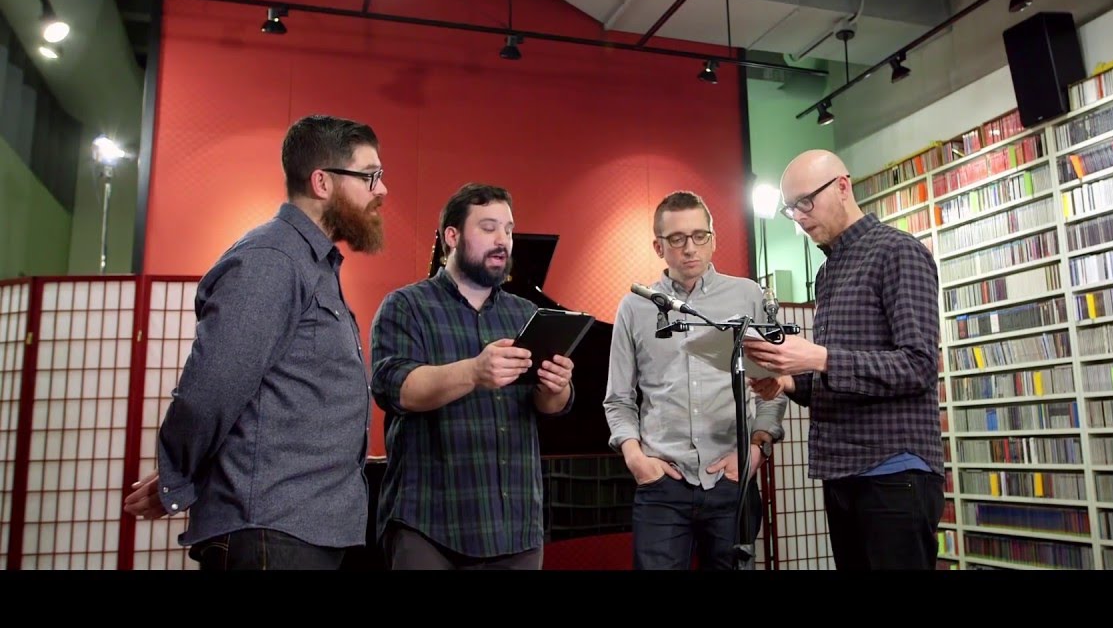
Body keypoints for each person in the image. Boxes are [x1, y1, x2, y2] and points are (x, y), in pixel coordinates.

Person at [122, 114, 389, 570]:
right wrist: (177, 477)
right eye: (369, 176)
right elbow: (212, 388)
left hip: (301, 531)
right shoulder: (272, 260)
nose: (381, 189)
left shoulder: (312, 265)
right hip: (270, 533)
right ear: (322, 182)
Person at [744, 149, 943, 571]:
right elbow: (841, 373)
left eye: (806, 201)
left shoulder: (898, 252)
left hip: (894, 470)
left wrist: (820, 357)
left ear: (842, 186)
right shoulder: (827, 271)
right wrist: (788, 381)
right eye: (790, 208)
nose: (799, 216)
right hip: (842, 470)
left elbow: (919, 365)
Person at [369, 183, 575, 570]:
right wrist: (475, 372)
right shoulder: (407, 306)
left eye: (508, 230)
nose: (502, 241)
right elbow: (396, 389)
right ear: (452, 236)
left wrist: (556, 386)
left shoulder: (526, 313)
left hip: (516, 527)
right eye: (488, 228)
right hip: (429, 524)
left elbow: (552, 405)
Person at [603, 190, 788, 570]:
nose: (690, 248)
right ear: (658, 247)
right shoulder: (636, 306)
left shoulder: (748, 296)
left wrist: (756, 450)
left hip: (731, 481)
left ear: (713, 239)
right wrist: (636, 459)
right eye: (677, 239)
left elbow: (773, 386)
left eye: (699, 236)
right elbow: (618, 399)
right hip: (662, 483)